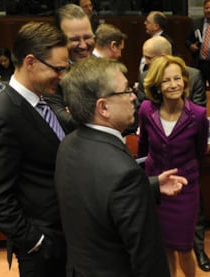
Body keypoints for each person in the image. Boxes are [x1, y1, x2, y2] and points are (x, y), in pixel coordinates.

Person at [56, 57, 171, 276]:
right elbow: (148, 259)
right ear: (103, 107)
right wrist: (138, 187)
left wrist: (150, 187)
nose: (133, 97)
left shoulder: (68, 144)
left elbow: (96, 198)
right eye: (126, 91)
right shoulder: (125, 173)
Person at [0, 21, 69, 277]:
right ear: (30, 62)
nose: (62, 76)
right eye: (57, 69)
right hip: (42, 250)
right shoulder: (1, 115)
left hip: (66, 239)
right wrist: (35, 241)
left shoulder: (45, 100)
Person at [138, 35, 210, 271]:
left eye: (177, 78)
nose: (174, 85)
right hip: (157, 188)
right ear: (157, 85)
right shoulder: (147, 110)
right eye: (167, 80)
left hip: (184, 189)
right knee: (164, 246)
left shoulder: (198, 114)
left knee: (184, 247)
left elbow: (201, 152)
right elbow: (143, 149)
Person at [45, 3, 95, 133]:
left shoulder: (104, 67)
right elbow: (63, 121)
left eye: (88, 37)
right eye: (75, 39)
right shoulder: (50, 75)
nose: (83, 46)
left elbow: (130, 118)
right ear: (58, 39)